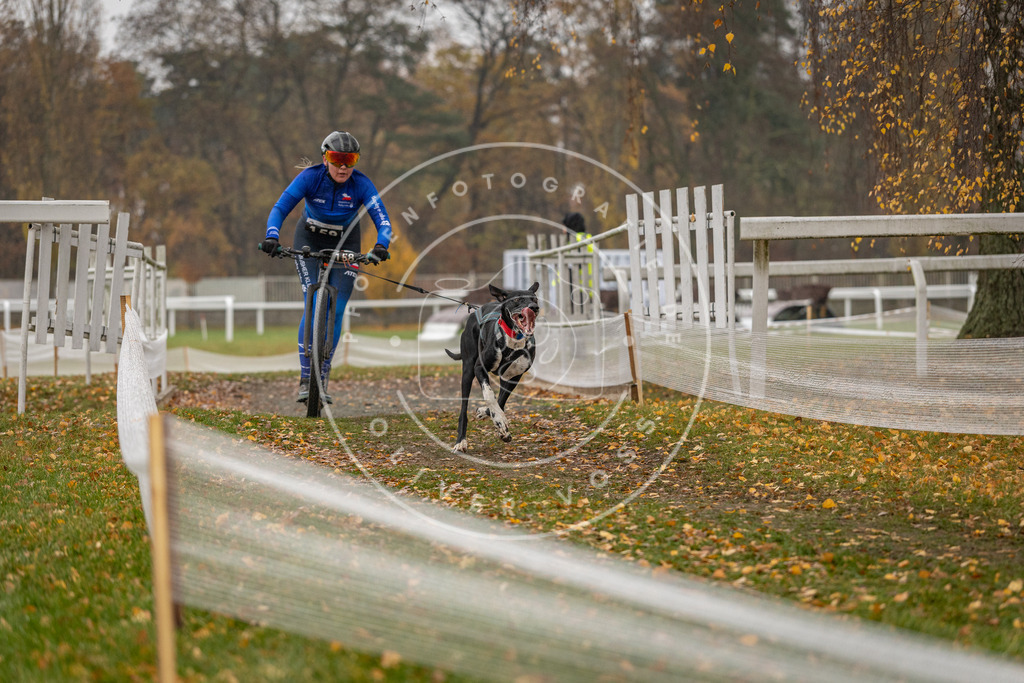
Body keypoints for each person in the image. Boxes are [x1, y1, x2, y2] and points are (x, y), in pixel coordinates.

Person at [260, 131, 393, 404]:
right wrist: (272, 236)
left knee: (338, 308)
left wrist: (381, 245)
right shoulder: (310, 177)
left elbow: (383, 221)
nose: (343, 167)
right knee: (311, 302)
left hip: (347, 242)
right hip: (308, 239)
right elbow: (280, 208)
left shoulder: (361, 184)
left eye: (350, 160)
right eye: (336, 159)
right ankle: (306, 377)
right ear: (325, 158)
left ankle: (323, 371)